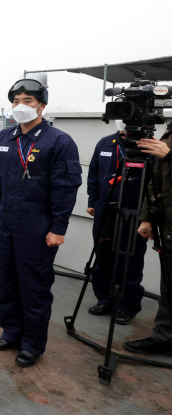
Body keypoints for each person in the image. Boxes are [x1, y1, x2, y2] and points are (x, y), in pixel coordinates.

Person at [0, 79, 82, 367]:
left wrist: (58, 228)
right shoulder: (4, 138)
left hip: (37, 227)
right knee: (7, 282)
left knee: (34, 287)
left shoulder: (59, 141)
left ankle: (32, 344)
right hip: (5, 222)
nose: (20, 106)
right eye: (16, 101)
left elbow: (66, 188)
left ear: (42, 104)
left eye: (27, 100)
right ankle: (11, 332)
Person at [86, 120, 146, 325]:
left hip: (133, 211)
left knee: (130, 259)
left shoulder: (146, 145)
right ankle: (104, 299)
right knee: (102, 255)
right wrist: (92, 201)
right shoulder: (105, 143)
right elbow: (93, 174)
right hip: (105, 207)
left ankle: (127, 305)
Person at [124, 124, 172, 355]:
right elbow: (155, 179)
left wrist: (170, 155)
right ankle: (164, 337)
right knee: (169, 286)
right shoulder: (169, 131)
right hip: (168, 225)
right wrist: (146, 218)